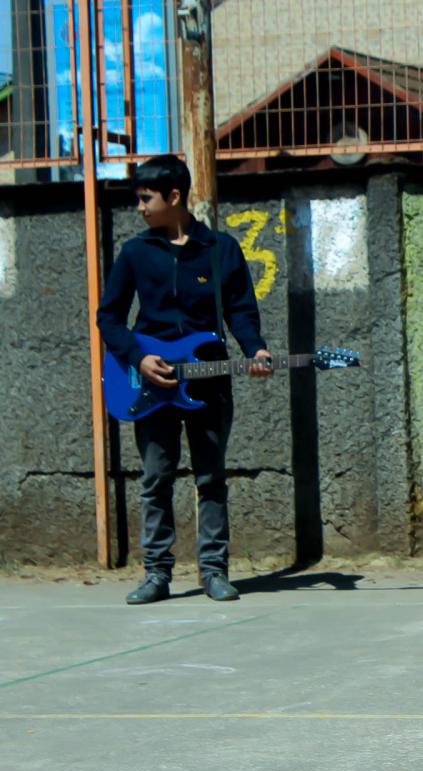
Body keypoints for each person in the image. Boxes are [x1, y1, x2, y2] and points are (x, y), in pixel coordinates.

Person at [96, 155, 272, 605]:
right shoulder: (136, 253)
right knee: (156, 478)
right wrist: (138, 358)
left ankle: (214, 571)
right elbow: (109, 317)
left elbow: (241, 310)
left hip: (208, 380)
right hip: (150, 385)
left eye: (146, 199)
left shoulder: (221, 250)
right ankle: (156, 573)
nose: (139, 208)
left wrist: (255, 350)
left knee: (210, 477)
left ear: (174, 197)